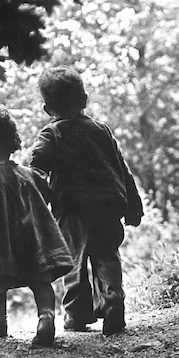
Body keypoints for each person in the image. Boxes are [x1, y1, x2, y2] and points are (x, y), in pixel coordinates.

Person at [29, 66, 143, 337]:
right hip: (108, 205)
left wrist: (40, 196)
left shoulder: (51, 134)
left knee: (74, 262)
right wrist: (133, 203)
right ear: (85, 99)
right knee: (106, 255)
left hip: (73, 209)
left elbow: (36, 167)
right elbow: (121, 167)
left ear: (47, 109)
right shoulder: (101, 130)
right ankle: (113, 300)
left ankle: (77, 314)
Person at [0, 106, 73, 346]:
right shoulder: (27, 174)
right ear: (11, 144)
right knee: (41, 280)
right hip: (31, 239)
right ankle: (46, 317)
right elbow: (46, 193)